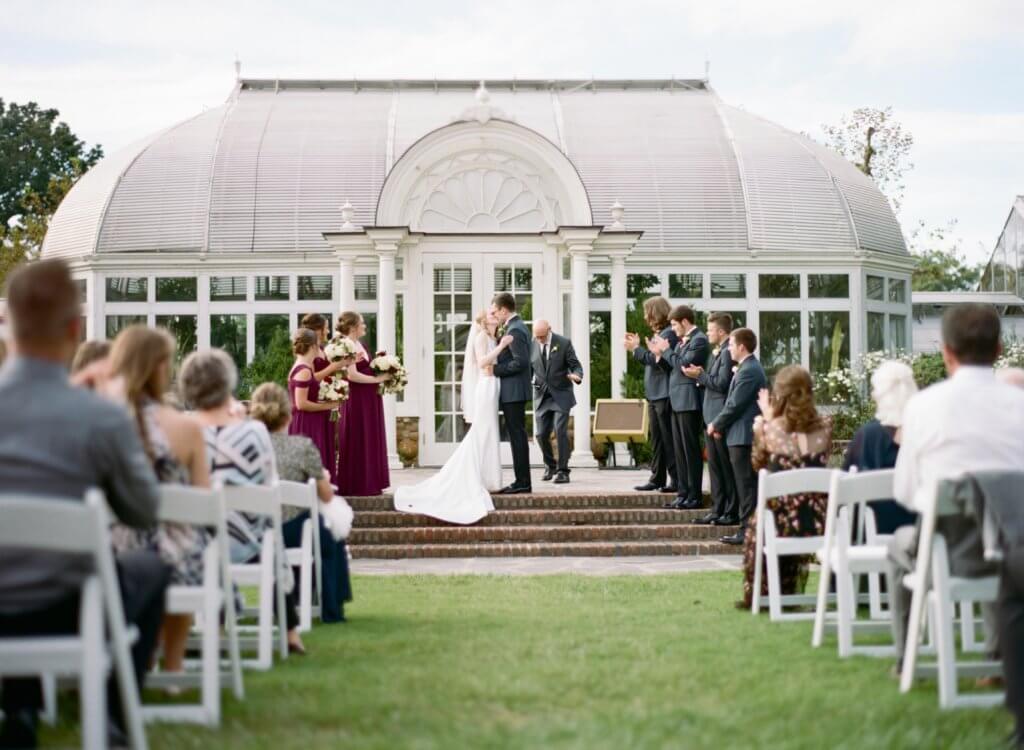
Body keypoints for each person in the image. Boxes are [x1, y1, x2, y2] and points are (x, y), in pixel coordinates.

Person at [0, 259, 168, 748]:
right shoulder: (100, 416)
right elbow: (144, 511)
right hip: (66, 605)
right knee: (149, 569)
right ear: (75, 328)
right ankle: (114, 717)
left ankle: (23, 709)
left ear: (9, 322)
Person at [886, 304, 1024, 669]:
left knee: (898, 545)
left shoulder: (923, 407)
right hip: (1015, 554)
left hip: (950, 554)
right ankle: (997, 654)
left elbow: (905, 492)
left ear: (946, 351)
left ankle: (905, 658)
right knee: (998, 534)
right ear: (998, 349)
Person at [179, 349, 308, 655]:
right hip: (249, 544)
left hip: (196, 546)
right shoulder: (253, 432)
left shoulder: (184, 431)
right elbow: (269, 482)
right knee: (267, 532)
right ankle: (290, 633)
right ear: (227, 384)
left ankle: (214, 627)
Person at [105, 325, 211, 677]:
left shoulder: (98, 421)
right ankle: (174, 665)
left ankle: (138, 655)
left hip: (110, 552)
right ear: (160, 366)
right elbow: (204, 502)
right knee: (185, 545)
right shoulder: (184, 427)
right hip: (174, 554)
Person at [394, 309, 513, 522]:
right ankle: (474, 476)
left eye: (496, 314)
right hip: (485, 386)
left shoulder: (492, 337)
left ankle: (490, 478)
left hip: (492, 385)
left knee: (489, 432)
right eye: (492, 314)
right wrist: (503, 346)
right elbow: (483, 361)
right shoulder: (480, 337)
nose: (495, 315)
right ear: (485, 321)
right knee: (482, 432)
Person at [251, 383, 354, 622]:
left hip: (254, 532)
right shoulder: (302, 447)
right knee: (330, 537)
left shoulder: (247, 449)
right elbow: (327, 495)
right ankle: (332, 609)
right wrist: (323, 478)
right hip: (293, 531)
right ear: (288, 416)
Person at [740, 365, 833, 608]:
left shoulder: (770, 430)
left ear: (780, 395)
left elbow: (758, 464)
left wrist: (764, 423)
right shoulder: (826, 427)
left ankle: (765, 591)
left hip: (781, 523)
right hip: (818, 521)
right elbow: (806, 455)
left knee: (761, 515)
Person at [842, 360, 918, 534]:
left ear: (882, 395)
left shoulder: (869, 436)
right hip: (919, 534)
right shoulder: (925, 433)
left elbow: (845, 487)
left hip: (872, 535)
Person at [707, 327, 768, 545]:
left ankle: (747, 531)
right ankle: (748, 529)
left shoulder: (750, 370)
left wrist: (716, 424)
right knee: (745, 485)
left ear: (742, 346)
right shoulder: (746, 367)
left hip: (743, 437)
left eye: (731, 345)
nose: (729, 348)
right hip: (738, 435)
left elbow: (735, 404)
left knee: (746, 486)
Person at [652, 305, 709, 510]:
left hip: (689, 401)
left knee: (690, 450)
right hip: (676, 400)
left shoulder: (699, 340)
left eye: (675, 324)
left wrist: (667, 350)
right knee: (679, 451)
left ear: (685, 322)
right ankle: (683, 493)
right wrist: (659, 354)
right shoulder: (683, 341)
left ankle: (694, 495)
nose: (673, 329)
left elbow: (684, 365)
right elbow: (672, 367)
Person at [684, 312, 738, 526]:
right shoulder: (718, 352)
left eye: (710, 329)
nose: (707, 333)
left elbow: (722, 383)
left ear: (721, 331)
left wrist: (700, 376)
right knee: (714, 467)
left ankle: (729, 510)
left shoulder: (726, 353)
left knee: (724, 466)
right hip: (711, 415)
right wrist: (703, 374)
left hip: (718, 416)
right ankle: (717, 509)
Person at [625, 296, 678, 493]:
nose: (645, 316)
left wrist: (635, 349)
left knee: (667, 439)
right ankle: (657, 478)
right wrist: (638, 348)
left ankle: (675, 480)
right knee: (657, 439)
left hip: (664, 394)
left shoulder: (669, 334)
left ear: (655, 312)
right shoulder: (662, 333)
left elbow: (655, 360)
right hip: (655, 394)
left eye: (647, 312)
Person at [335, 312, 391, 496]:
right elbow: (352, 375)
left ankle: (370, 481)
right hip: (357, 399)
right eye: (362, 323)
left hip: (368, 398)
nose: (365, 326)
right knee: (359, 435)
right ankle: (357, 483)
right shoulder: (347, 345)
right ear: (353, 327)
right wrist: (377, 379)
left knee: (368, 435)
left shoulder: (359, 344)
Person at [491, 293, 533, 494]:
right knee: (517, 436)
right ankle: (521, 480)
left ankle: (523, 482)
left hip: (514, 391)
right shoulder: (515, 327)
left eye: (495, 311)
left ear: (504, 310)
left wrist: (496, 370)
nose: (495, 315)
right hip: (513, 391)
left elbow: (521, 362)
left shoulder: (515, 329)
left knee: (517, 436)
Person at [531, 319, 582, 484]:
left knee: (560, 430)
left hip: (561, 394)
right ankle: (550, 465)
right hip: (542, 396)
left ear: (549, 330)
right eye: (537, 336)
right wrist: (531, 383)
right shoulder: (532, 344)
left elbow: (576, 365)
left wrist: (577, 375)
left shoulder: (563, 343)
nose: (539, 340)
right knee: (540, 434)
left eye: (542, 336)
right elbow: (529, 369)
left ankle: (563, 471)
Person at [288, 328, 341, 484]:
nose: (321, 348)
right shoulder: (303, 370)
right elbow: (301, 404)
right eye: (318, 345)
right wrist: (329, 405)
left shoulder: (305, 366)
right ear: (312, 347)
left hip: (312, 421)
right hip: (307, 424)